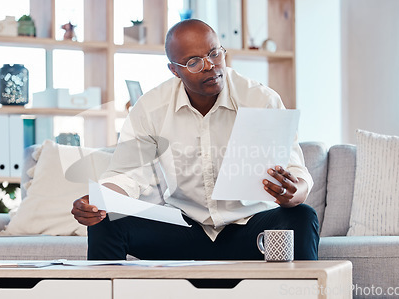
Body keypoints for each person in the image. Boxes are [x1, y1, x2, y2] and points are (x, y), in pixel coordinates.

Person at [71, 19, 319, 261]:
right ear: (174, 70)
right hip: (185, 231)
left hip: (251, 230)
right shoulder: (151, 108)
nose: (210, 65)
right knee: (105, 220)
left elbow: (296, 171)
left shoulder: (260, 100)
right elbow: (127, 175)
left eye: (214, 53)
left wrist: (294, 192)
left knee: (302, 217)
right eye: (194, 62)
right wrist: (98, 202)